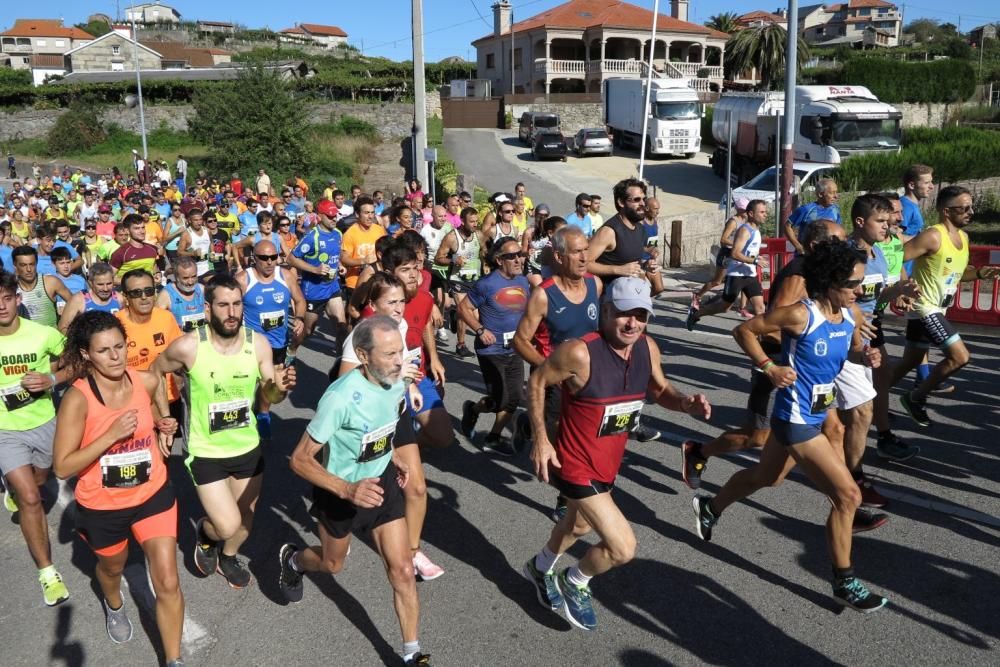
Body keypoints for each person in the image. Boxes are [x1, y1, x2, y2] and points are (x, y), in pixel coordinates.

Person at [692, 240, 889, 613]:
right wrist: (770, 366)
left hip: (816, 414)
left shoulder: (848, 316)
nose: (859, 291)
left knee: (768, 477)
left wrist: (864, 354)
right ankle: (844, 581)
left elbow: (845, 350)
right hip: (795, 419)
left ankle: (710, 507)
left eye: (860, 283)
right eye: (852, 284)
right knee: (848, 496)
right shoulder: (802, 314)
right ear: (829, 282)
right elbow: (745, 331)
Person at [524, 277, 711, 630]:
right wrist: (541, 439)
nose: (633, 323)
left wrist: (685, 403)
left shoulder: (647, 347)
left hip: (608, 464)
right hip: (575, 464)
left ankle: (540, 566)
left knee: (577, 525)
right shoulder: (579, 352)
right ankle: (574, 581)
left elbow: (661, 390)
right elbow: (536, 382)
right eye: (625, 314)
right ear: (606, 310)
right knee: (623, 547)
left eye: (641, 316)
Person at [280, 316, 432, 666]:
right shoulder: (340, 398)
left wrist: (392, 454)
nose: (400, 361)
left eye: (401, 352)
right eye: (390, 354)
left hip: (380, 485)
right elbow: (299, 460)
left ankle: (412, 654)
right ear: (363, 356)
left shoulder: (395, 378)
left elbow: (383, 423)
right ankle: (294, 559)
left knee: (403, 570)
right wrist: (347, 489)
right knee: (332, 564)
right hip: (340, 493)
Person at [52, 312, 184, 664]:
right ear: (85, 355)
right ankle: (113, 604)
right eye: (104, 351)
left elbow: (158, 394)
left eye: (120, 347)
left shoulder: (142, 381)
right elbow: (63, 465)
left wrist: (162, 425)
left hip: (152, 494)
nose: (116, 357)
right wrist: (110, 435)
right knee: (112, 568)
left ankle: (174, 660)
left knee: (168, 581)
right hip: (104, 505)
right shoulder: (77, 400)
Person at [152, 274, 296, 588]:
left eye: (236, 304)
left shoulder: (257, 343)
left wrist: (280, 389)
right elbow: (156, 371)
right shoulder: (189, 347)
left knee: (245, 521)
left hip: (247, 446)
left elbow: (267, 395)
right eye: (223, 305)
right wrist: (164, 417)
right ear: (208, 309)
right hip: (206, 451)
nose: (231, 312)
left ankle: (228, 556)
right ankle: (206, 533)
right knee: (227, 523)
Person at [336, 273, 444, 582]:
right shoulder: (360, 336)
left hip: (396, 417)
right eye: (391, 302)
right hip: (366, 423)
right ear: (372, 304)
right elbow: (344, 384)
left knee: (417, 487)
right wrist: (388, 383)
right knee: (360, 495)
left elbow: (399, 371)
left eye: (401, 301)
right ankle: (337, 533)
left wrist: (407, 384)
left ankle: (412, 552)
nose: (399, 308)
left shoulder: (402, 326)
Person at [513, 225, 602, 521]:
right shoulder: (543, 295)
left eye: (586, 250)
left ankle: (567, 497)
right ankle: (565, 493)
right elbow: (520, 339)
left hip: (588, 382)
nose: (583, 257)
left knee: (584, 442)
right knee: (559, 447)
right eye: (577, 252)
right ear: (560, 257)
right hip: (555, 383)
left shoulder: (595, 285)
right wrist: (546, 369)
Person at [891, 186, 999, 426]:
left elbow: (957, 275)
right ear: (946, 211)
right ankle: (916, 397)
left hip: (939, 308)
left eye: (972, 207)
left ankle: (870, 401)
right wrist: (903, 286)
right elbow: (895, 257)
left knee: (910, 360)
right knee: (960, 356)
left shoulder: (963, 237)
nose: (970, 212)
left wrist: (980, 273)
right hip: (924, 307)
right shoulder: (933, 236)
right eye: (964, 208)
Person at [0, 272, 73, 606]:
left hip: (44, 422)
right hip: (5, 430)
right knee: (31, 498)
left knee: (42, 479)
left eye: (6, 298)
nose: (1, 306)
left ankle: (19, 488)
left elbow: (75, 362)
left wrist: (50, 378)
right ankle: (47, 572)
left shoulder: (42, 334)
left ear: (17, 299)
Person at [458, 238, 531, 455]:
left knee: (514, 397)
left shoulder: (524, 281)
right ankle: (473, 409)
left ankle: (494, 437)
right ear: (499, 260)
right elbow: (463, 308)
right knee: (501, 398)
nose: (518, 259)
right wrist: (480, 330)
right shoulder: (487, 284)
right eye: (512, 256)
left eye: (520, 254)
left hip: (515, 348)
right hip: (491, 351)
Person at [236, 240, 306, 439]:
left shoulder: (285, 276)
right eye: (264, 258)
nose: (269, 262)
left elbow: (300, 300)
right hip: (251, 344)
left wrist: (299, 318)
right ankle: (248, 417)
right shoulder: (243, 279)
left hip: (278, 343)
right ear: (254, 259)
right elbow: (229, 307)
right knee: (247, 383)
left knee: (273, 386)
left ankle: (263, 411)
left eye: (273, 257)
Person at [686, 199, 768, 330]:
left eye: (766, 212)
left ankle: (759, 340)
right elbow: (735, 253)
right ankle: (697, 313)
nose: (766, 214)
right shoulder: (744, 230)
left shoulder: (756, 231)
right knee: (724, 308)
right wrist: (755, 261)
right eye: (762, 212)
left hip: (749, 274)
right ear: (751, 213)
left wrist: (756, 257)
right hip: (736, 275)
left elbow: (747, 252)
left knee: (760, 309)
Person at [287, 199, 346, 349]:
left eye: (335, 216)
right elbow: (291, 258)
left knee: (341, 327)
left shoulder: (338, 234)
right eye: (330, 216)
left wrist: (339, 265)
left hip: (332, 286)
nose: (334, 219)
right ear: (319, 216)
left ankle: (341, 363)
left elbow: (335, 255)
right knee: (306, 331)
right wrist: (315, 270)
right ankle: (291, 351)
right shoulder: (312, 237)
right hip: (314, 290)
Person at [433, 207, 488, 358]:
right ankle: (461, 345)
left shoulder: (479, 235)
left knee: (475, 315)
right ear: (462, 221)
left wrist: (486, 264)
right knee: (468, 313)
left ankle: (454, 314)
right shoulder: (452, 237)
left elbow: (484, 251)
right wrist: (453, 260)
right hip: (458, 280)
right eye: (472, 221)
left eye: (477, 221)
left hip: (475, 280)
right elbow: (438, 258)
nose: (475, 224)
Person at [692, 198, 748, 304]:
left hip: (737, 254)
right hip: (726, 254)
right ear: (738, 209)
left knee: (745, 279)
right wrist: (737, 244)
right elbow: (723, 239)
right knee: (717, 281)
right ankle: (697, 295)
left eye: (747, 209)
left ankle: (742, 308)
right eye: (744, 209)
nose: (746, 211)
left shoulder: (745, 222)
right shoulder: (733, 222)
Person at [341, 196, 387, 305]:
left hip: (376, 282)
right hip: (355, 284)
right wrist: (363, 261)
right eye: (366, 213)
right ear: (357, 214)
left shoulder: (379, 230)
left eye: (372, 213)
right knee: (356, 317)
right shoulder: (350, 234)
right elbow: (344, 259)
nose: (370, 216)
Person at [12, 246, 72, 328]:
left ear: (36, 263)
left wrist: (63, 326)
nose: (29, 269)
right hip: (25, 339)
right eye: (23, 265)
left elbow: (75, 303)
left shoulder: (51, 282)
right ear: (15, 266)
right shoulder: (11, 287)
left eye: (32, 264)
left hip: (51, 339)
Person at [58, 262, 123, 332]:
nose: (105, 289)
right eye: (100, 284)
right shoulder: (79, 300)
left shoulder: (119, 299)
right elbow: (62, 327)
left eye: (109, 283)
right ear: (90, 283)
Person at [783, 179, 841, 254]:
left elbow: (838, 230)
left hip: (826, 257)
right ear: (820, 194)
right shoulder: (806, 209)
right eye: (832, 193)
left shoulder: (835, 210)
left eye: (836, 192)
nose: (836, 196)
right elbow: (787, 226)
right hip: (806, 257)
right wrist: (798, 246)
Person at [157, 256, 207, 332]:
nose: (190, 282)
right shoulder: (166, 295)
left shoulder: (202, 290)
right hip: (179, 340)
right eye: (185, 278)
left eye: (193, 276)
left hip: (202, 338)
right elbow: (156, 322)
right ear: (176, 277)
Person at [109, 214, 160, 282]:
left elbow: (154, 268)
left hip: (150, 291)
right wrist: (135, 282)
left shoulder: (152, 249)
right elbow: (110, 278)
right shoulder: (120, 253)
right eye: (137, 228)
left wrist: (157, 274)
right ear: (127, 231)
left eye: (143, 227)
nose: (142, 231)